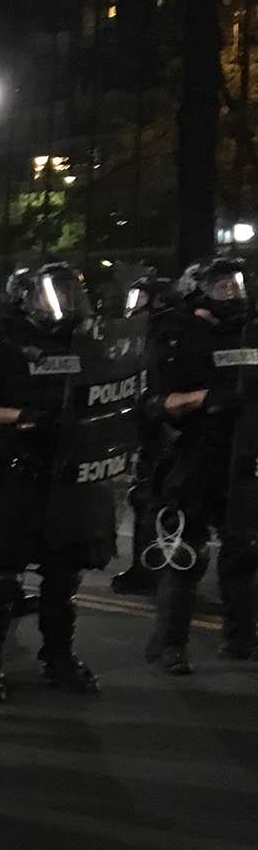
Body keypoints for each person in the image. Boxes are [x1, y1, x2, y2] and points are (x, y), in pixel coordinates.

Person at [0, 262, 124, 702]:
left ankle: (58, 657)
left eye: (68, 293)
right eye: (51, 294)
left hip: (72, 475)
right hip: (17, 473)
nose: (61, 303)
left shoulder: (89, 343)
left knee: (62, 576)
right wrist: (21, 417)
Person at [142, 254, 258, 671]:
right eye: (223, 285)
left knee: (243, 550)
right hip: (192, 455)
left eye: (236, 284)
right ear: (198, 290)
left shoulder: (248, 332)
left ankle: (242, 638)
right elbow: (157, 404)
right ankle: (170, 645)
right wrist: (205, 400)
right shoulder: (174, 334)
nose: (233, 291)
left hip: (241, 455)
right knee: (185, 553)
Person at [110, 271, 177, 597]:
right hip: (153, 429)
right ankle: (151, 568)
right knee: (148, 499)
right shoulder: (151, 334)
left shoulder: (164, 335)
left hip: (161, 431)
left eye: (140, 300)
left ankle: (150, 570)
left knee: (151, 500)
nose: (134, 308)